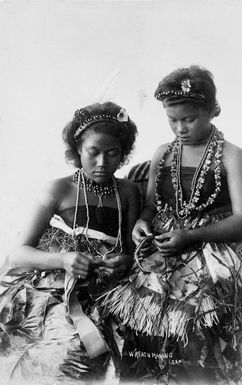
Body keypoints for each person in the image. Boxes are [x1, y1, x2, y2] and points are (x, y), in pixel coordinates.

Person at [100, 66, 242, 384]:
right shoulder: (162, 154)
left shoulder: (231, 156)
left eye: (189, 119)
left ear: (211, 111)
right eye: (172, 119)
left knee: (199, 342)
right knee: (148, 336)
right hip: (163, 256)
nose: (180, 127)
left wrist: (190, 235)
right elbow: (152, 206)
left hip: (218, 259)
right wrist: (141, 223)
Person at [0, 102, 140, 384]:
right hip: (55, 291)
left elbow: (129, 250)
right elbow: (18, 253)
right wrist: (64, 260)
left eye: (112, 153)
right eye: (94, 152)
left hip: (107, 293)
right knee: (70, 353)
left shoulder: (127, 192)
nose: (102, 162)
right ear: (77, 149)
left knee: (111, 357)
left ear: (123, 154)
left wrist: (124, 261)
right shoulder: (59, 189)